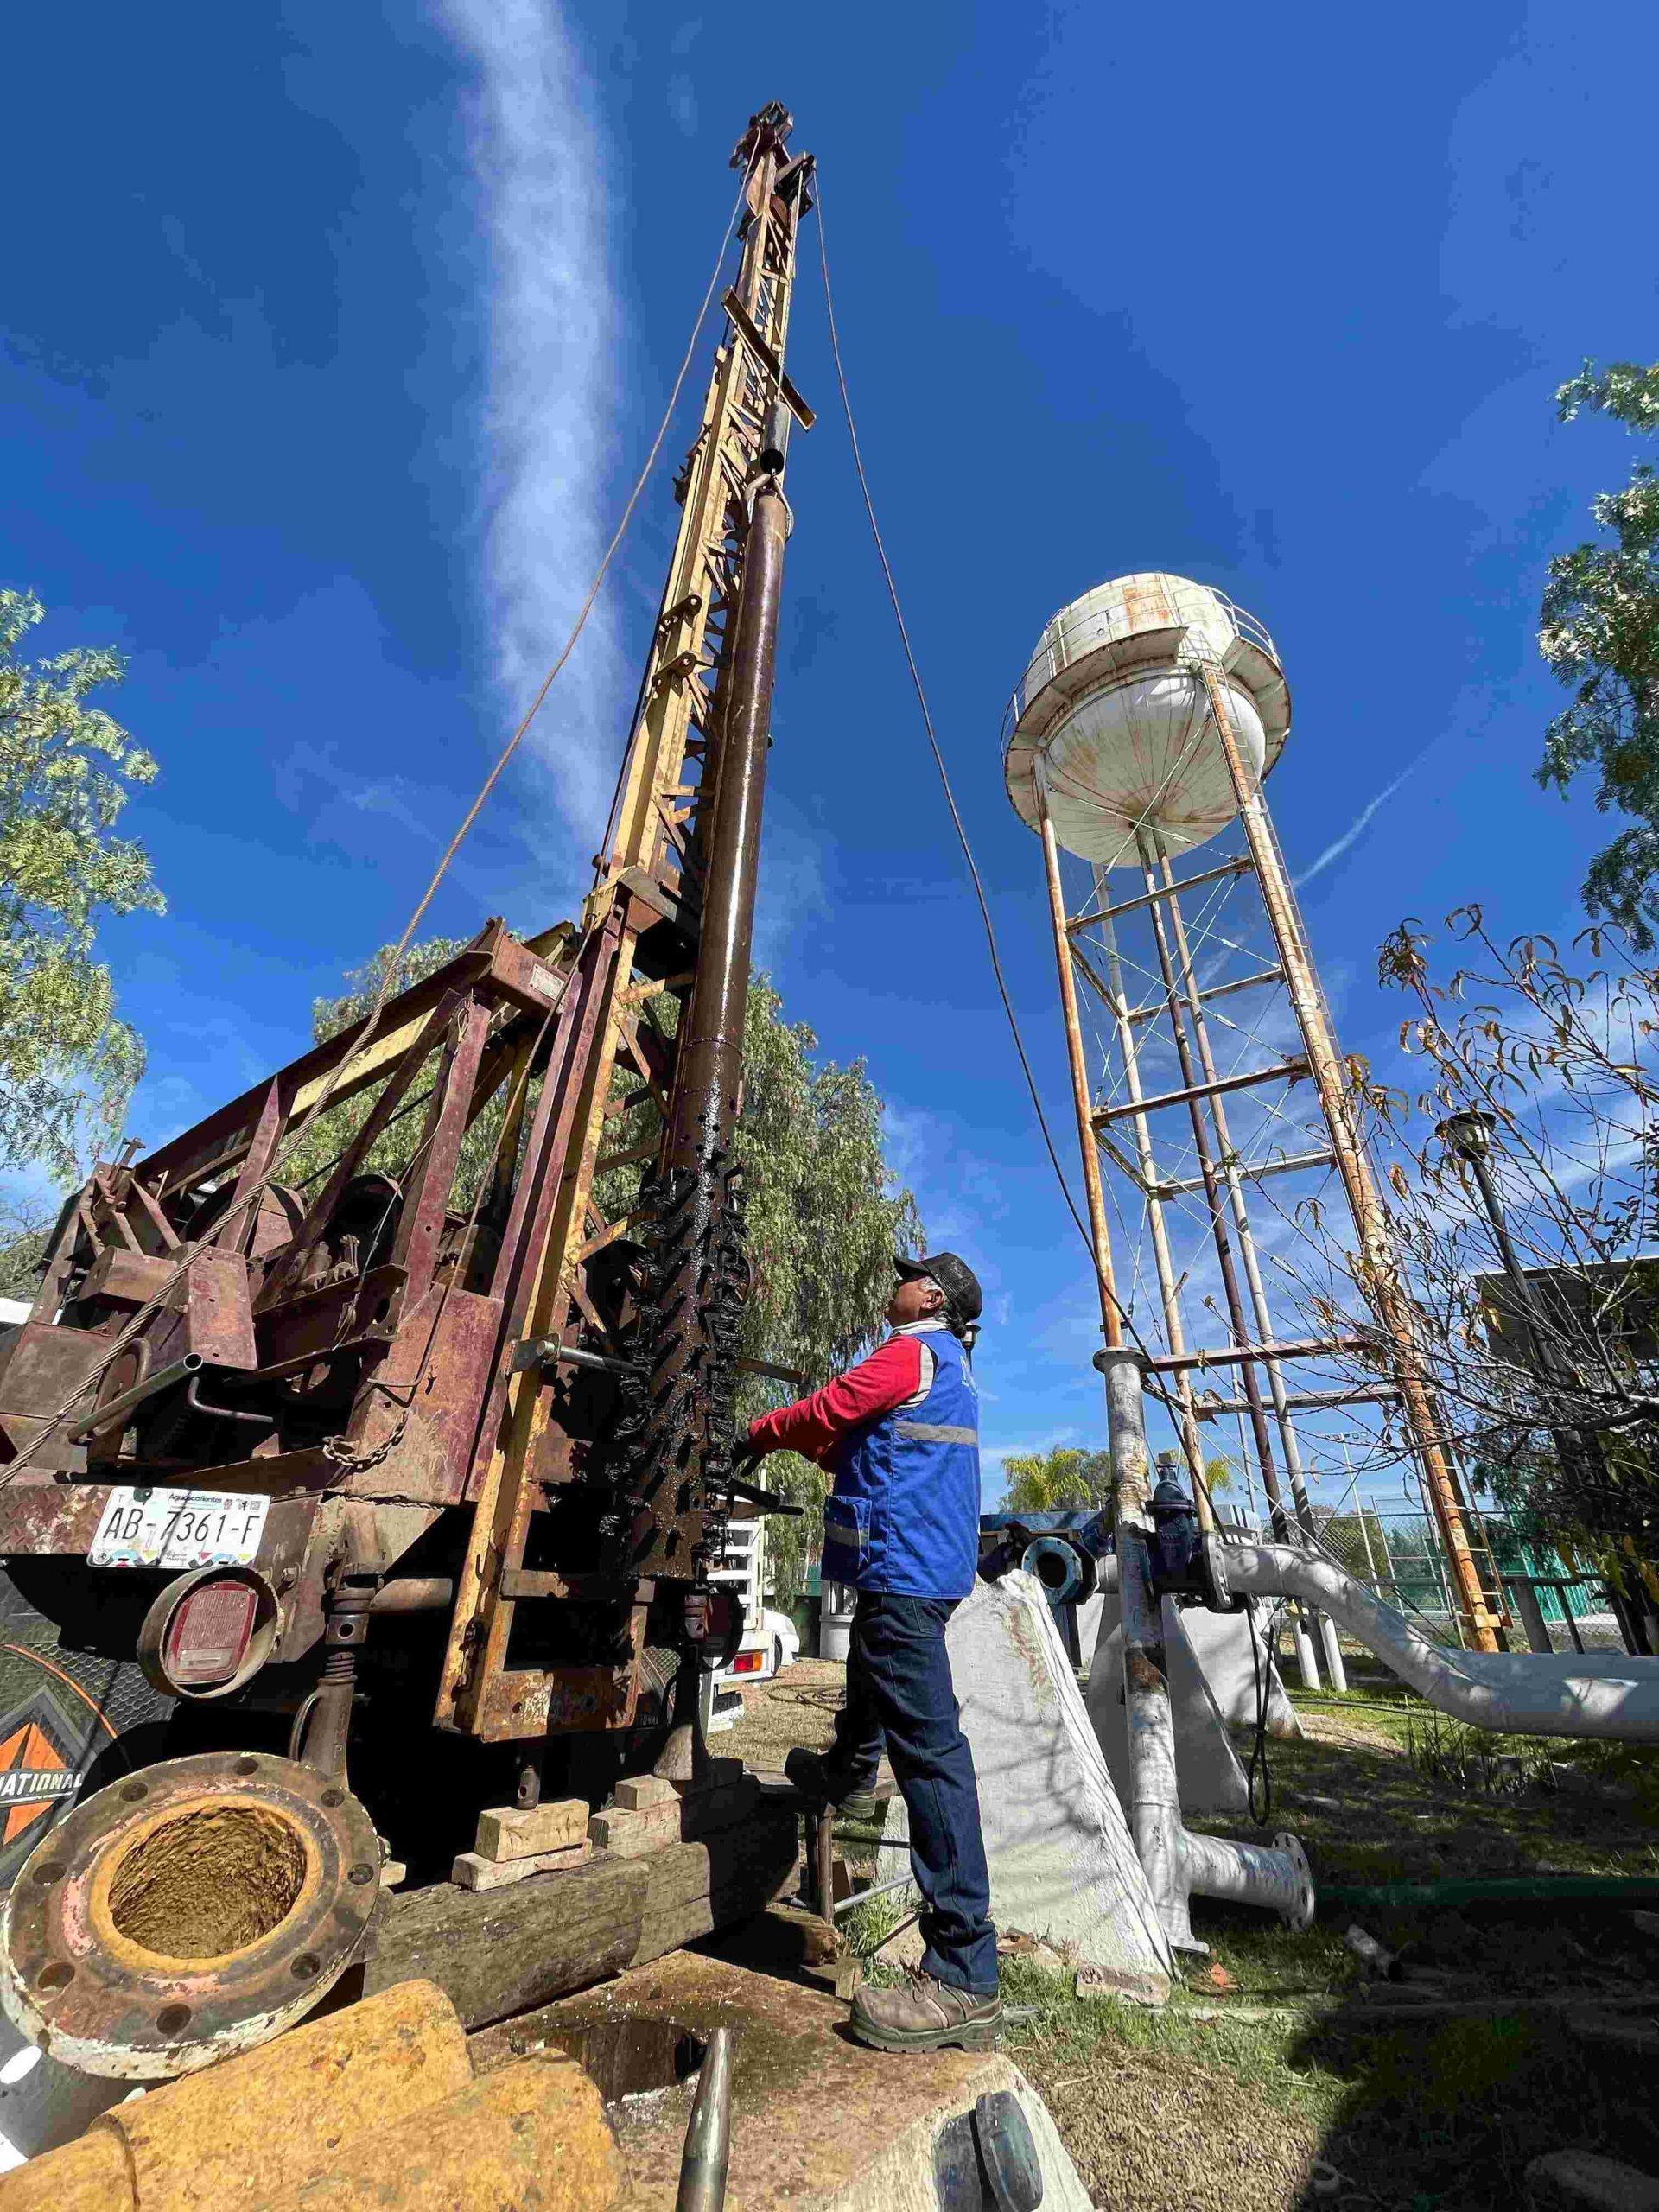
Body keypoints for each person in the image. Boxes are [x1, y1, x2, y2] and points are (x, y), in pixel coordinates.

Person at [743, 1250, 1000, 2053]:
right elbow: (866, 1444)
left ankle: (963, 1972)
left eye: (907, 1275)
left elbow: (831, 1408)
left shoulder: (909, 1352)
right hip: (927, 1569)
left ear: (931, 1296)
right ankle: (847, 1771)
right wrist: (813, 1447)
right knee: (870, 1666)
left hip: (904, 1570)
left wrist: (759, 1433)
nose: (895, 1283)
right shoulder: (948, 1369)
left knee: (930, 1755)